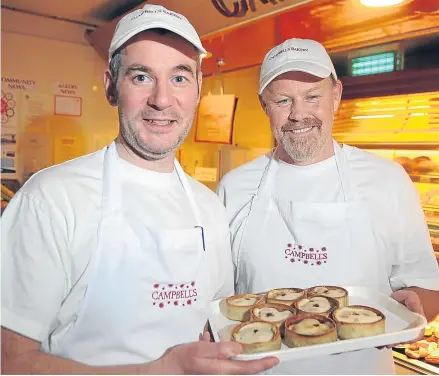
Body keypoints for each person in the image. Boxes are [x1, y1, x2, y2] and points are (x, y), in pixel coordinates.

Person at [1, 5, 279, 374]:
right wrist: (164, 370)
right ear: (111, 87)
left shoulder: (208, 206)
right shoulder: (52, 199)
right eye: (142, 76)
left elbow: (215, 327)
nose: (162, 100)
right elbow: (11, 362)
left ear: (199, 89)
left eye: (179, 78)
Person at [217, 38, 439, 374]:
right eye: (282, 100)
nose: (298, 114)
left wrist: (414, 306)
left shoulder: (388, 181)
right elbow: (220, 302)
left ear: (336, 95)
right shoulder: (234, 187)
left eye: (312, 96)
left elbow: (428, 288)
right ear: (264, 105)